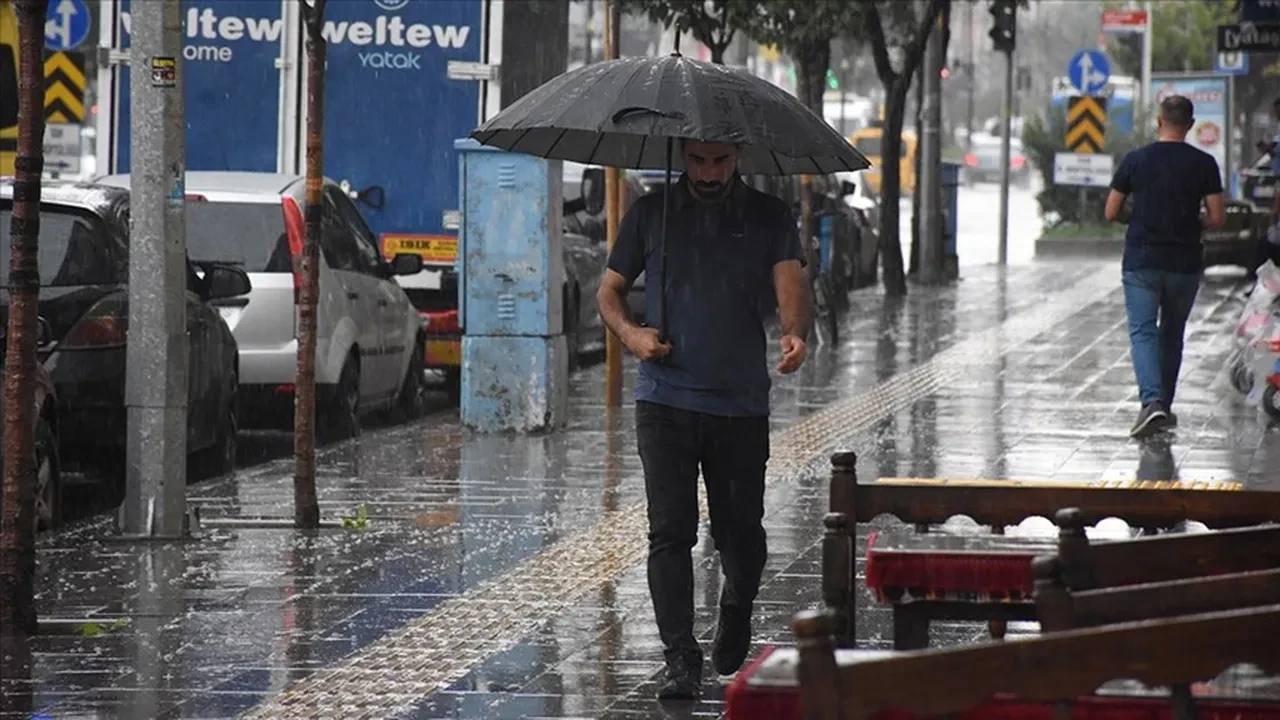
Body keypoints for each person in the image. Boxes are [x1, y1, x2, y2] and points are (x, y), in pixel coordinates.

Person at [596, 138, 811, 700]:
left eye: (719, 161)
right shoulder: (650, 213)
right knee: (670, 532)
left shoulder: (768, 215)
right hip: (665, 400)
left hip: (739, 404)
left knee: (740, 532)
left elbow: (791, 283)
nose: (709, 173)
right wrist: (632, 334)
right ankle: (680, 657)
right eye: (697, 161)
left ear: (738, 157)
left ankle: (737, 602)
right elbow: (609, 293)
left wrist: (794, 332)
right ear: (681, 157)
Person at [1104, 95, 1225, 437]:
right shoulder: (1204, 164)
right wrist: (1192, 220)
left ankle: (1151, 403)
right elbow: (1217, 217)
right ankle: (1163, 408)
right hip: (1184, 263)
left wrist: (1139, 216)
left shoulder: (1135, 160)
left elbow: (1111, 211)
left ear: (1159, 121)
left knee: (1143, 332)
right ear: (1189, 124)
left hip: (1142, 260)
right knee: (1172, 333)